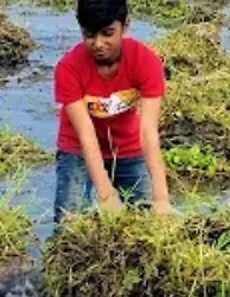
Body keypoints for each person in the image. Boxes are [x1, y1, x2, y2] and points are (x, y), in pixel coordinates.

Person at [53, 0, 172, 223]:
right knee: (69, 223)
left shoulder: (146, 62)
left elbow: (148, 132)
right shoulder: (68, 68)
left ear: (125, 26)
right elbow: (85, 134)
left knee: (148, 220)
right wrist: (105, 194)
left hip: (128, 148)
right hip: (77, 149)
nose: (98, 43)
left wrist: (161, 197)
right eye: (89, 35)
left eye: (108, 33)